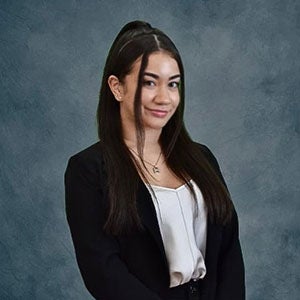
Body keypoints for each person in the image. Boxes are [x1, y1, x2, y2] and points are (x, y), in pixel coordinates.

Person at [64, 20, 245, 300]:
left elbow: (229, 252)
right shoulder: (88, 170)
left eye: (173, 84)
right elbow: (102, 270)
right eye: (150, 82)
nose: (165, 98)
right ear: (117, 87)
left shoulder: (202, 158)